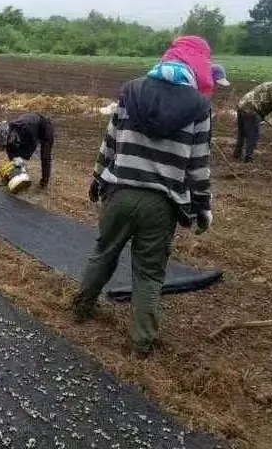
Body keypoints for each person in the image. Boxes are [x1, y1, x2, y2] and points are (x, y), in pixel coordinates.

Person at [70, 35, 218, 357]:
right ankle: (141, 343)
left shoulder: (130, 91)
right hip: (161, 205)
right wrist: (203, 207)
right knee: (149, 273)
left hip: (119, 191)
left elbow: (110, 142)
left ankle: (81, 308)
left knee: (103, 253)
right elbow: (197, 165)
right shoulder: (199, 107)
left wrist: (97, 177)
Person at [0, 113, 55, 191]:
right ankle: (14, 175)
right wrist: (13, 166)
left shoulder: (27, 129)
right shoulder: (10, 131)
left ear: (9, 134)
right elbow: (10, 151)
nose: (6, 144)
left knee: (45, 156)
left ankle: (44, 183)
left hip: (45, 128)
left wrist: (19, 162)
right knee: (13, 151)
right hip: (30, 127)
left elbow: (29, 150)